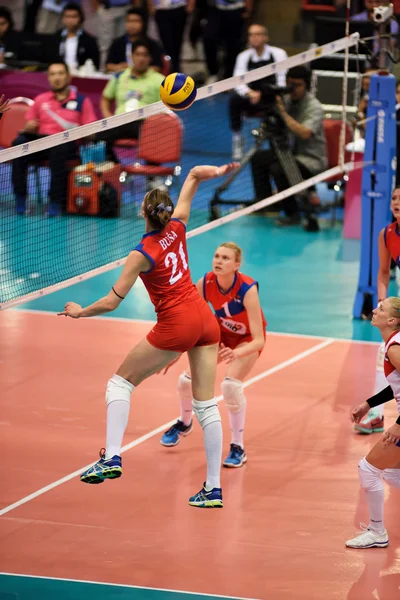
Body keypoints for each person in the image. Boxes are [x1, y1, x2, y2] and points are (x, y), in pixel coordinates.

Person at [58, 162, 239, 507]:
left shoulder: (140, 255)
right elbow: (195, 176)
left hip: (177, 323)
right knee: (205, 405)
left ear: (142, 212)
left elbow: (112, 301)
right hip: (205, 318)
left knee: (119, 384)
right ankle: (212, 488)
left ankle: (112, 456)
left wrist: (81, 311)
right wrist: (217, 170)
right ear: (166, 212)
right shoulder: (179, 227)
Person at [160, 242, 266, 467]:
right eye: (217, 256)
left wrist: (236, 353)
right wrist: (177, 350)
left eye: (226, 258)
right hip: (220, 336)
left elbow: (259, 339)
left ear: (237, 265)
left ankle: (238, 447)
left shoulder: (248, 289)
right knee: (185, 380)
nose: (218, 261)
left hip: (245, 341)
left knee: (230, 387)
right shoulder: (206, 283)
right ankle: (185, 422)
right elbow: (189, 318)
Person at [346, 296, 400, 549]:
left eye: (381, 308)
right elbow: (397, 386)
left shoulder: (394, 348)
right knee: (391, 471)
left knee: (368, 470)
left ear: (392, 320)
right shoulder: (392, 344)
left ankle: (377, 531)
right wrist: (370, 403)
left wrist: (399, 423)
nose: (375, 308)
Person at [11, 61, 97, 216]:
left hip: (68, 146)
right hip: (42, 143)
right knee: (19, 143)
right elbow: (30, 122)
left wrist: (81, 131)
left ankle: (55, 201)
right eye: (52, 74)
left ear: (68, 77)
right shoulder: (40, 99)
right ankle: (20, 198)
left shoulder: (81, 101)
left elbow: (92, 132)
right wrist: (30, 126)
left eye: (60, 73)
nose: (57, 77)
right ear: (48, 78)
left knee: (59, 147)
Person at [250, 65, 327, 228]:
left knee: (279, 169)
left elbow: (305, 133)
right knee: (258, 158)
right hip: (289, 153)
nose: (292, 89)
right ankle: (266, 204)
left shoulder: (314, 106)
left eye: (297, 85)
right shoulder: (285, 100)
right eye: (289, 84)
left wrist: (283, 113)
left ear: (306, 85)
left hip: (311, 160)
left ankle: (293, 213)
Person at [356, 188, 400, 433]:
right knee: (384, 351)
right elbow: (384, 272)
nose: (396, 203)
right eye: (393, 198)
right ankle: (376, 414)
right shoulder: (388, 234)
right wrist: (383, 305)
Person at [229, 23, 288, 161]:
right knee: (234, 100)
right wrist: (249, 93)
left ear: (265, 37)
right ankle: (237, 138)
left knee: (282, 103)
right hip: (252, 97)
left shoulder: (279, 54)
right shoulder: (243, 56)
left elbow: (282, 80)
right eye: (250, 34)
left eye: (257, 34)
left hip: (272, 96)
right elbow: (237, 81)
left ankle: (280, 143)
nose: (253, 38)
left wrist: (266, 93)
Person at [105, 7, 163, 73]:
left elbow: (157, 68)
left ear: (143, 23)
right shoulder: (117, 43)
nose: (132, 25)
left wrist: (136, 69)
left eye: (136, 21)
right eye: (129, 21)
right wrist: (119, 67)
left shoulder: (152, 44)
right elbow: (108, 66)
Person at [48, 3, 100, 72]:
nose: (70, 20)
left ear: (81, 18)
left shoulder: (89, 40)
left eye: (74, 17)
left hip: (81, 75)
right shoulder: (55, 38)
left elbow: (95, 64)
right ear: (62, 18)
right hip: (59, 73)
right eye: (67, 16)